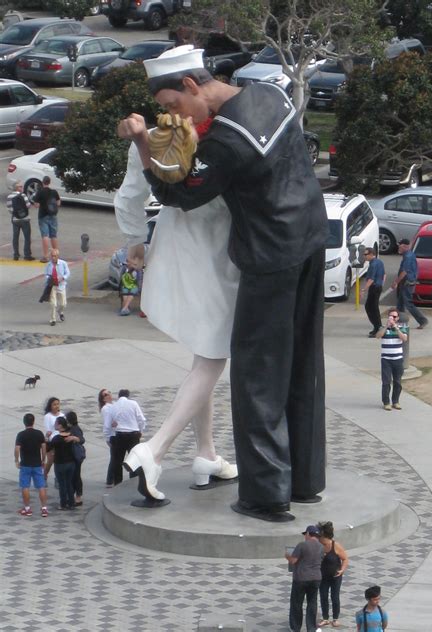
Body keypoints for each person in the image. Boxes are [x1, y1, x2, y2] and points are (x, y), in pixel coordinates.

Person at [117, 44, 328, 522]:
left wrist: (142, 145)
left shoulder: (226, 140)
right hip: (312, 238)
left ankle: (266, 495)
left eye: (173, 104)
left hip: (269, 257)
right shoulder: (270, 95)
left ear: (192, 85)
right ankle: (305, 480)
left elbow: (180, 194)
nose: (172, 115)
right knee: (303, 366)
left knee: (259, 378)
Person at [113, 116, 240, 502]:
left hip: (174, 247)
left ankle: (206, 453)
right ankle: (155, 449)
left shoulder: (153, 139)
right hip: (219, 252)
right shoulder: (227, 141)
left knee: (204, 354)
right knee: (213, 356)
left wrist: (135, 237)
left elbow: (129, 194)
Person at [285, 525, 324, 632]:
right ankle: (311, 628)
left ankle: (296, 627)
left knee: (297, 603)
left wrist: (287, 556)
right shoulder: (321, 547)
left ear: (308, 534)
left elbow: (293, 561)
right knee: (312, 602)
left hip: (301, 578)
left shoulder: (302, 545)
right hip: (316, 578)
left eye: (305, 535)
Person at [316, 521, 349, 628]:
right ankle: (325, 618)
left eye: (320, 537)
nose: (318, 538)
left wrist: (342, 570)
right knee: (323, 596)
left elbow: (345, 559)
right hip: (323, 577)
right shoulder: (318, 545)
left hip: (335, 577)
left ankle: (335, 618)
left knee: (335, 597)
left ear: (325, 536)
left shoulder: (336, 546)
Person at [14, 413, 48, 517]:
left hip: (25, 464)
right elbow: (43, 448)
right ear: (33, 421)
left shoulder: (21, 435)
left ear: (24, 422)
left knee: (25, 486)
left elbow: (17, 449)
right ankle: (44, 509)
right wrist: (43, 459)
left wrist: (16, 460)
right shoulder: (39, 434)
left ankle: (27, 509)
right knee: (41, 486)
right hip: (37, 464)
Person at [110, 389, 147, 485]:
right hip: (133, 435)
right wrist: (140, 431)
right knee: (133, 460)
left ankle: (117, 484)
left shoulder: (114, 406)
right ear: (128, 396)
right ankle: (133, 482)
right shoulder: (133, 404)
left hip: (119, 435)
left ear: (119, 396)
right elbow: (142, 419)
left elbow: (111, 423)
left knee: (117, 461)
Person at [391, 238, 428, 329]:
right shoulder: (409, 254)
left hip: (407, 283)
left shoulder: (407, 257)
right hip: (407, 282)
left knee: (408, 303)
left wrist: (396, 282)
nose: (398, 247)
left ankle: (422, 320)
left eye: (400, 245)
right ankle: (398, 322)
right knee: (400, 304)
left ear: (404, 246)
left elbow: (404, 272)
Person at [376, 308, 408, 411]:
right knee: (386, 382)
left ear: (397, 318)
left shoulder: (401, 328)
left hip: (398, 359)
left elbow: (404, 338)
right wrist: (386, 326)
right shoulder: (383, 328)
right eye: (390, 316)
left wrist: (395, 327)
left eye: (394, 317)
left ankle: (396, 401)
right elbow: (378, 336)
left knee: (397, 382)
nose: (392, 318)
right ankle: (386, 402)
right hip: (386, 359)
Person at [50, 416, 80, 510]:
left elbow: (48, 448)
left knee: (62, 484)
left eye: (56, 423)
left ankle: (63, 504)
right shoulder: (70, 436)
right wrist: (74, 438)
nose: (54, 425)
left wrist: (47, 438)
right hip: (71, 463)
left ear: (59, 425)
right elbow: (80, 440)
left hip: (60, 464)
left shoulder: (56, 438)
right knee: (69, 483)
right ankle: (71, 503)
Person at [33, 175, 61, 262]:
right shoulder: (54, 192)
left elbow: (36, 205)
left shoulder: (40, 192)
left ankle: (46, 256)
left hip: (43, 216)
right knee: (53, 235)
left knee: (45, 236)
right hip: (53, 215)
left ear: (42, 182)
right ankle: (56, 255)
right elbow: (58, 203)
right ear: (49, 182)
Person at [7, 180, 35, 262]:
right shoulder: (23, 195)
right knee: (27, 237)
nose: (22, 187)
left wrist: (15, 213)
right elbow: (28, 206)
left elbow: (9, 208)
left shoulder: (9, 197)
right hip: (25, 219)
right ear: (17, 188)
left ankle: (16, 255)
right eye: (21, 186)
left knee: (15, 237)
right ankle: (27, 255)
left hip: (15, 219)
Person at [361, 248, 385, 337]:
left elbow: (371, 279)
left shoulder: (373, 264)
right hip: (378, 287)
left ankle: (377, 327)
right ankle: (376, 327)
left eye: (366, 254)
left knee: (370, 307)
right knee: (373, 307)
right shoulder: (379, 262)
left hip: (374, 287)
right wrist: (381, 284)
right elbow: (384, 275)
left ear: (371, 254)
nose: (364, 256)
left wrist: (363, 290)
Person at [44, 248, 70, 326]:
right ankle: (53, 319)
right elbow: (46, 274)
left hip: (61, 285)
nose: (53, 258)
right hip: (52, 286)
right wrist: (49, 278)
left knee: (63, 304)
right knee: (53, 304)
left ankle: (60, 311)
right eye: (52, 256)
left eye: (55, 256)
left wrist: (63, 278)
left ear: (58, 256)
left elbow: (67, 273)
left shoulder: (63, 263)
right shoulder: (48, 265)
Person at [65, 411, 85, 506]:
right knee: (74, 476)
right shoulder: (71, 428)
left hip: (76, 456)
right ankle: (74, 495)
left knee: (75, 476)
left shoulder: (75, 429)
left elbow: (81, 440)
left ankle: (78, 496)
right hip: (74, 456)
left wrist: (74, 438)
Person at [43, 396, 64, 480]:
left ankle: (57, 478)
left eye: (58, 404)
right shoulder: (48, 416)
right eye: (54, 404)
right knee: (50, 460)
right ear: (50, 406)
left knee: (59, 460)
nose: (57, 406)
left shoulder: (62, 415)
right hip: (52, 441)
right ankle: (44, 476)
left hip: (61, 440)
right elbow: (48, 430)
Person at [99, 388, 116, 488]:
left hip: (117, 433)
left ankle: (112, 478)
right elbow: (106, 425)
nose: (108, 395)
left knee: (115, 457)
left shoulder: (113, 405)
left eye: (109, 392)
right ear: (103, 399)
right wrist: (107, 438)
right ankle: (110, 480)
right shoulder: (106, 408)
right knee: (114, 458)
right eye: (105, 395)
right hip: (113, 436)